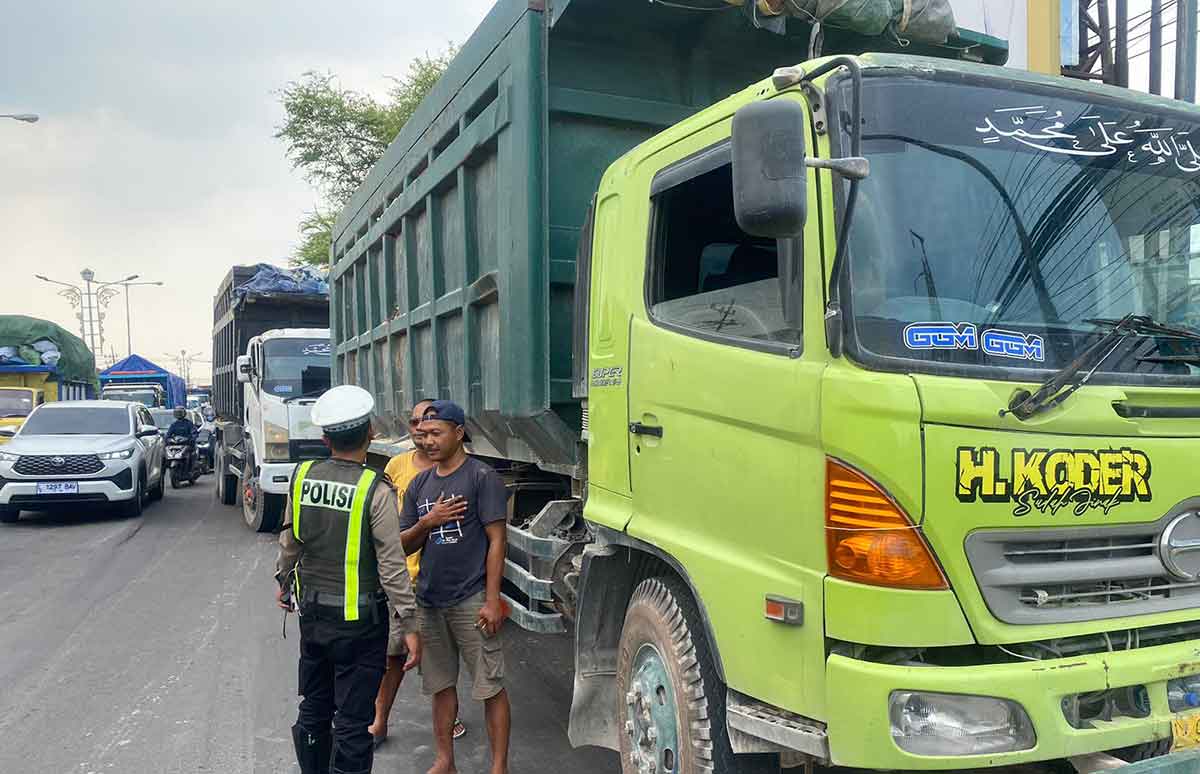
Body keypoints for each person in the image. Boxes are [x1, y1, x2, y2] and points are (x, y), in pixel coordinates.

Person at [275, 385, 422, 774]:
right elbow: (392, 566)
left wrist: (283, 582)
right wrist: (409, 625)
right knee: (354, 723)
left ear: (325, 438)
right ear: (371, 432)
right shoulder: (375, 489)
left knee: (314, 707)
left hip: (314, 616)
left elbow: (290, 541)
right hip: (360, 625)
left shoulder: (302, 476)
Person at [399, 400, 510, 774]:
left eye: (436, 433)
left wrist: (492, 600)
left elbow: (497, 540)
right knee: (439, 686)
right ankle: (445, 760)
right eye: (423, 434)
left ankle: (498, 767)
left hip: (471, 598)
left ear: (458, 432)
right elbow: (405, 544)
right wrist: (428, 521)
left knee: (489, 686)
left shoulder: (482, 478)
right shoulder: (419, 485)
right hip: (430, 600)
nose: (427, 440)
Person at [371, 399, 467, 745]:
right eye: (414, 423)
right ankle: (379, 720)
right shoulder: (396, 467)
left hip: (440, 582)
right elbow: (386, 525)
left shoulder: (463, 473)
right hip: (403, 577)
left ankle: (448, 720)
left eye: (428, 424)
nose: (420, 431)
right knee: (394, 655)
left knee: (439, 660)